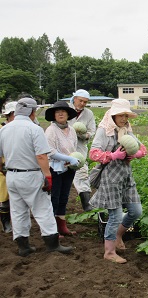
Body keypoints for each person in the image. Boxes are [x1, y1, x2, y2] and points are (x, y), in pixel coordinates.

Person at [0, 97, 73, 256]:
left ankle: (23, 246)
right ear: (32, 112)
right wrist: (48, 177)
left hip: (12, 175)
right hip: (31, 174)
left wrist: (4, 171)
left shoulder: (4, 129)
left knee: (18, 211)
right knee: (43, 209)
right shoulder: (34, 129)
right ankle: (52, 244)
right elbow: (41, 156)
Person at [89, 98, 147, 264]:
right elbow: (93, 154)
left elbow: (142, 148)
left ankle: (118, 235)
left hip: (126, 175)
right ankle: (109, 251)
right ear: (113, 115)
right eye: (120, 115)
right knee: (114, 216)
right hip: (110, 177)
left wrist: (136, 153)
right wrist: (113, 155)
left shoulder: (126, 129)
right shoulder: (104, 130)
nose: (124, 119)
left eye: (126, 115)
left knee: (136, 211)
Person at [45, 101, 80, 236]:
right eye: (57, 111)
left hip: (68, 168)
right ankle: (52, 229)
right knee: (55, 196)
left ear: (67, 114)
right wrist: (68, 158)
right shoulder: (51, 130)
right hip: (55, 168)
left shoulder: (71, 130)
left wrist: (73, 159)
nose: (60, 113)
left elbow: (74, 148)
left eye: (63, 111)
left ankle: (62, 225)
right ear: (54, 115)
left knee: (64, 196)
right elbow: (50, 151)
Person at [68, 89, 96, 212]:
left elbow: (92, 131)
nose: (83, 104)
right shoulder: (65, 110)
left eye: (85, 102)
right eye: (81, 101)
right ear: (74, 99)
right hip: (64, 147)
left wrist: (83, 135)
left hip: (80, 148)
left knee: (82, 173)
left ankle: (87, 204)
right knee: (60, 174)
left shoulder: (88, 114)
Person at [0, 101, 17, 233]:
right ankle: (6, 223)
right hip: (4, 167)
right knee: (5, 197)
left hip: (20, 166)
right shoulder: (2, 130)